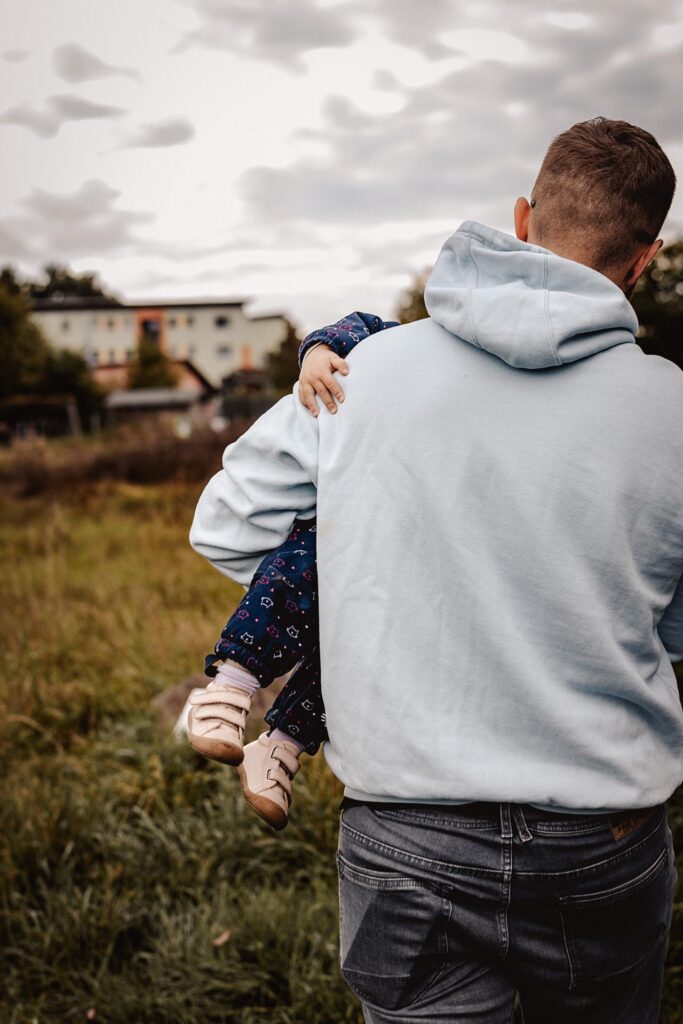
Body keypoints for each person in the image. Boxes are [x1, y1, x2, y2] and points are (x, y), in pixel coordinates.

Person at [190, 117, 683, 1023]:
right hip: (600, 840)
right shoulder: (673, 413)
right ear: (645, 257)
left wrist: (365, 570)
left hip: (404, 836)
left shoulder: (356, 371)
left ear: (523, 217)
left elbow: (227, 526)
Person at [187, 313, 397, 830]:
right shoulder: (419, 343)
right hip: (350, 514)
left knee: (364, 646)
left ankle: (281, 747)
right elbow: (364, 324)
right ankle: (233, 682)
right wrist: (320, 351)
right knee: (315, 560)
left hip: (412, 543)